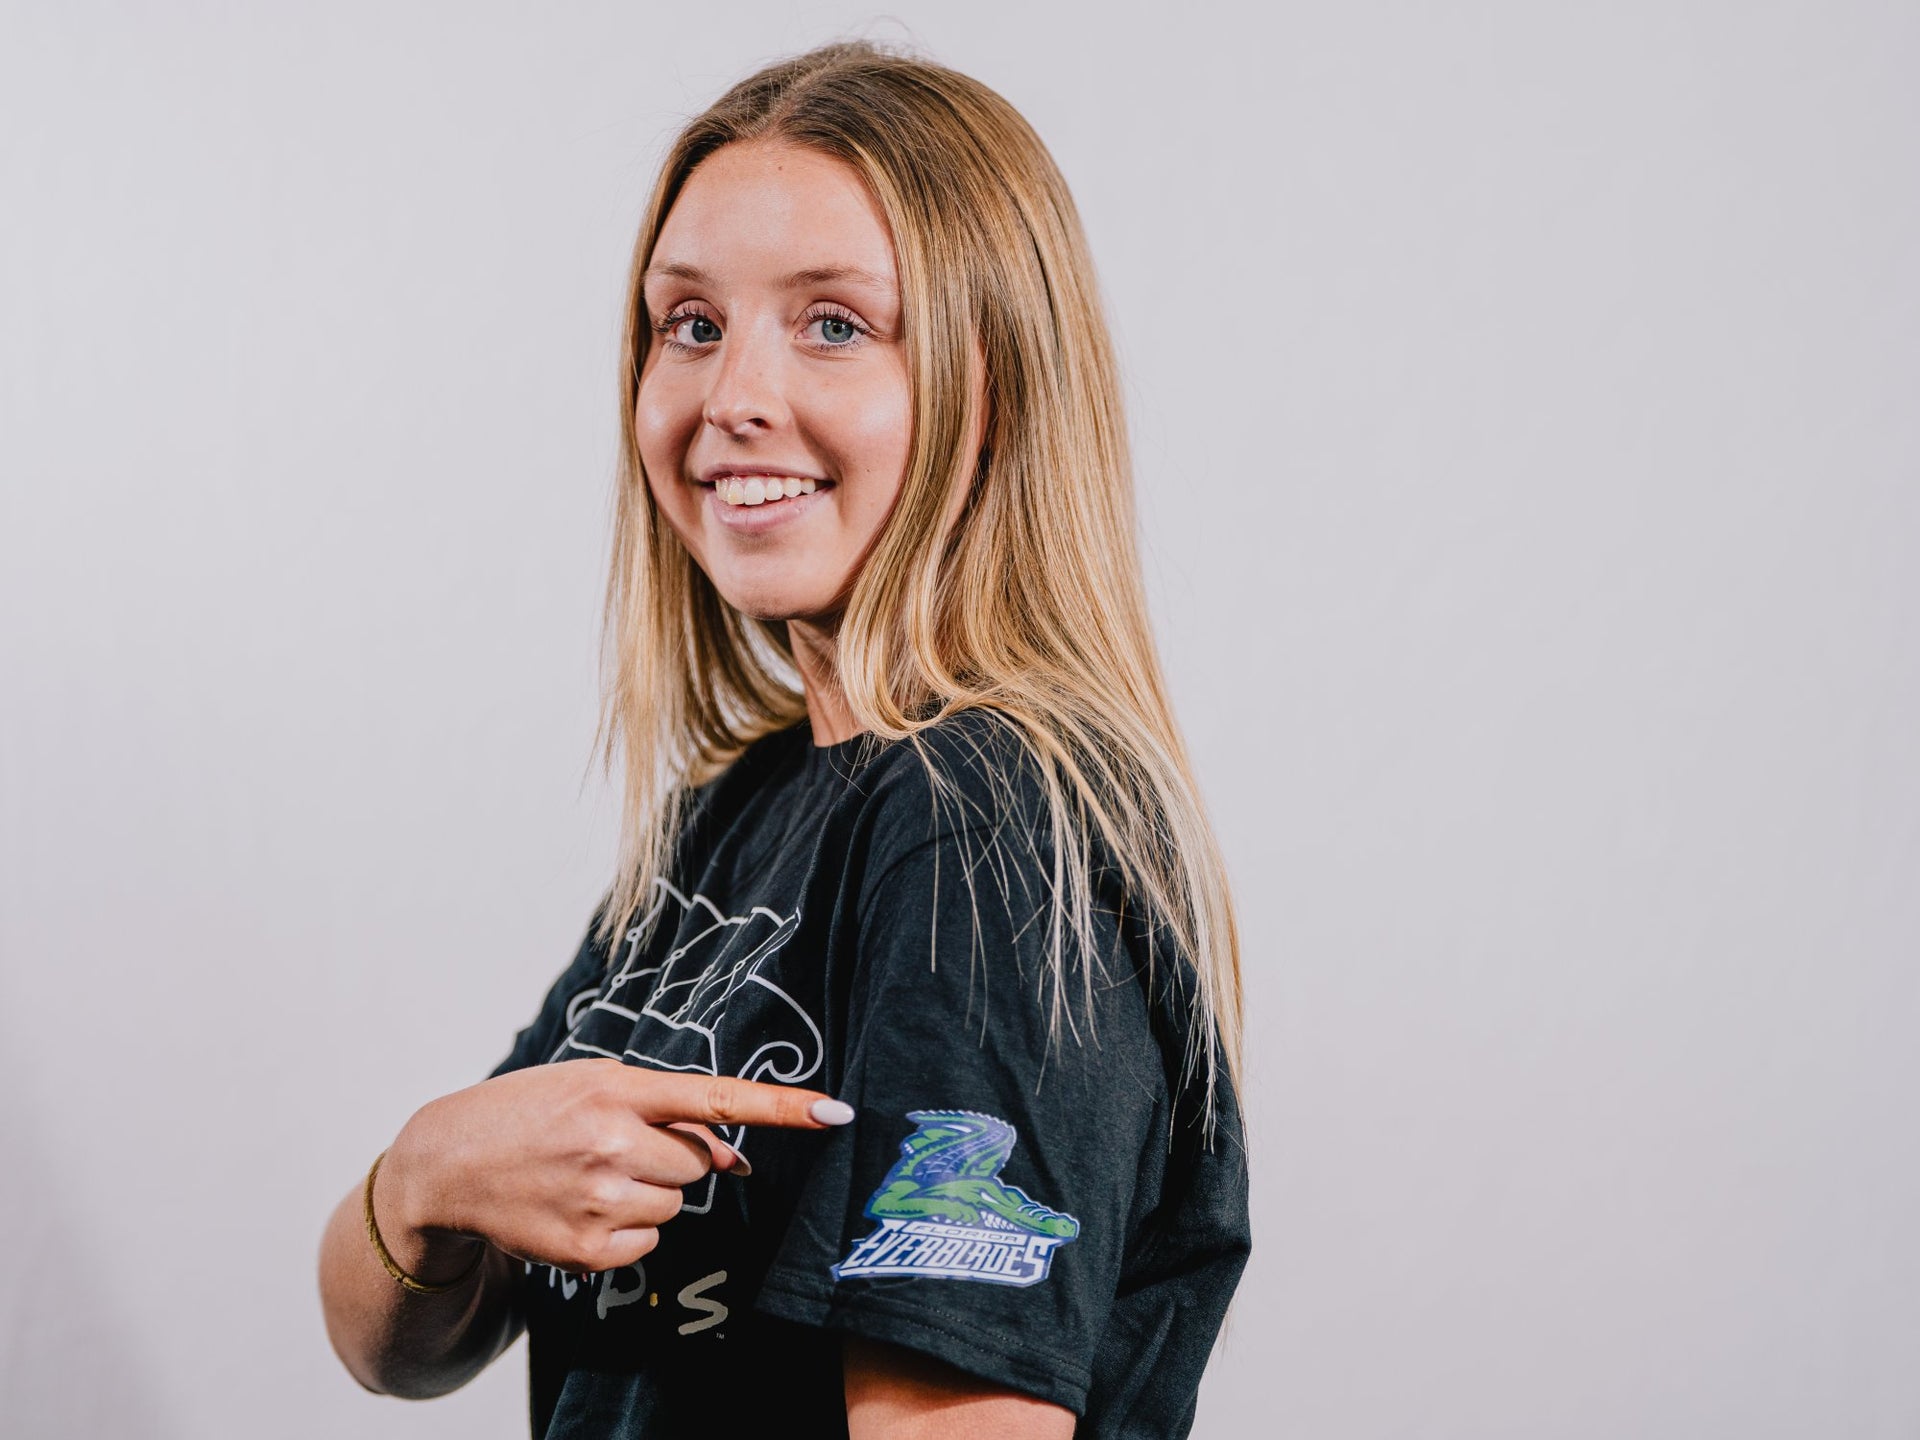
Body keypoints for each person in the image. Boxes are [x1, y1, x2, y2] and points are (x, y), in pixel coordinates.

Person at [317, 40, 1250, 1440]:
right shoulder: (740, 809)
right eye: (691, 324)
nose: (731, 398)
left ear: (996, 381)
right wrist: (422, 1177)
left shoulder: (981, 825)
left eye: (834, 325)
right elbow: (398, 1344)